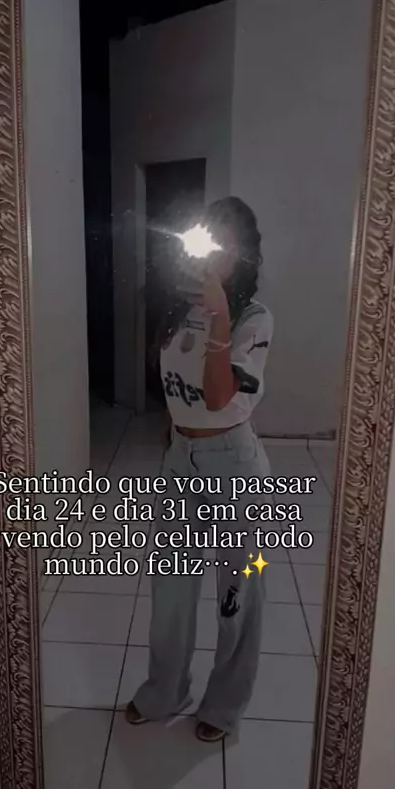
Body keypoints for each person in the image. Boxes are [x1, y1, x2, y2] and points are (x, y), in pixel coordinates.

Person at [125, 196, 274, 742]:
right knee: (170, 587)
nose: (213, 254)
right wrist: (175, 431)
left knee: (239, 592)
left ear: (244, 254)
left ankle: (224, 705)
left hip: (235, 467)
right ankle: (166, 691)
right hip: (180, 461)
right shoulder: (177, 308)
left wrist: (219, 315)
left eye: (226, 244)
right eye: (206, 240)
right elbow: (174, 387)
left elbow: (216, 397)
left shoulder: (254, 319)